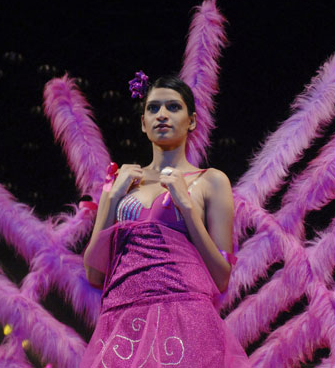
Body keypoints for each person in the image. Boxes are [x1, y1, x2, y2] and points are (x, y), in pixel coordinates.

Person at [82, 74, 251, 367]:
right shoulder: (121, 182)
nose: (162, 115)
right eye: (153, 108)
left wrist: (186, 206)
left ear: (192, 121)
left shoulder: (210, 181)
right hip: (122, 323)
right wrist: (112, 198)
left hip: (186, 322)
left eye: (173, 107)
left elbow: (221, 278)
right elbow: (94, 274)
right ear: (143, 123)